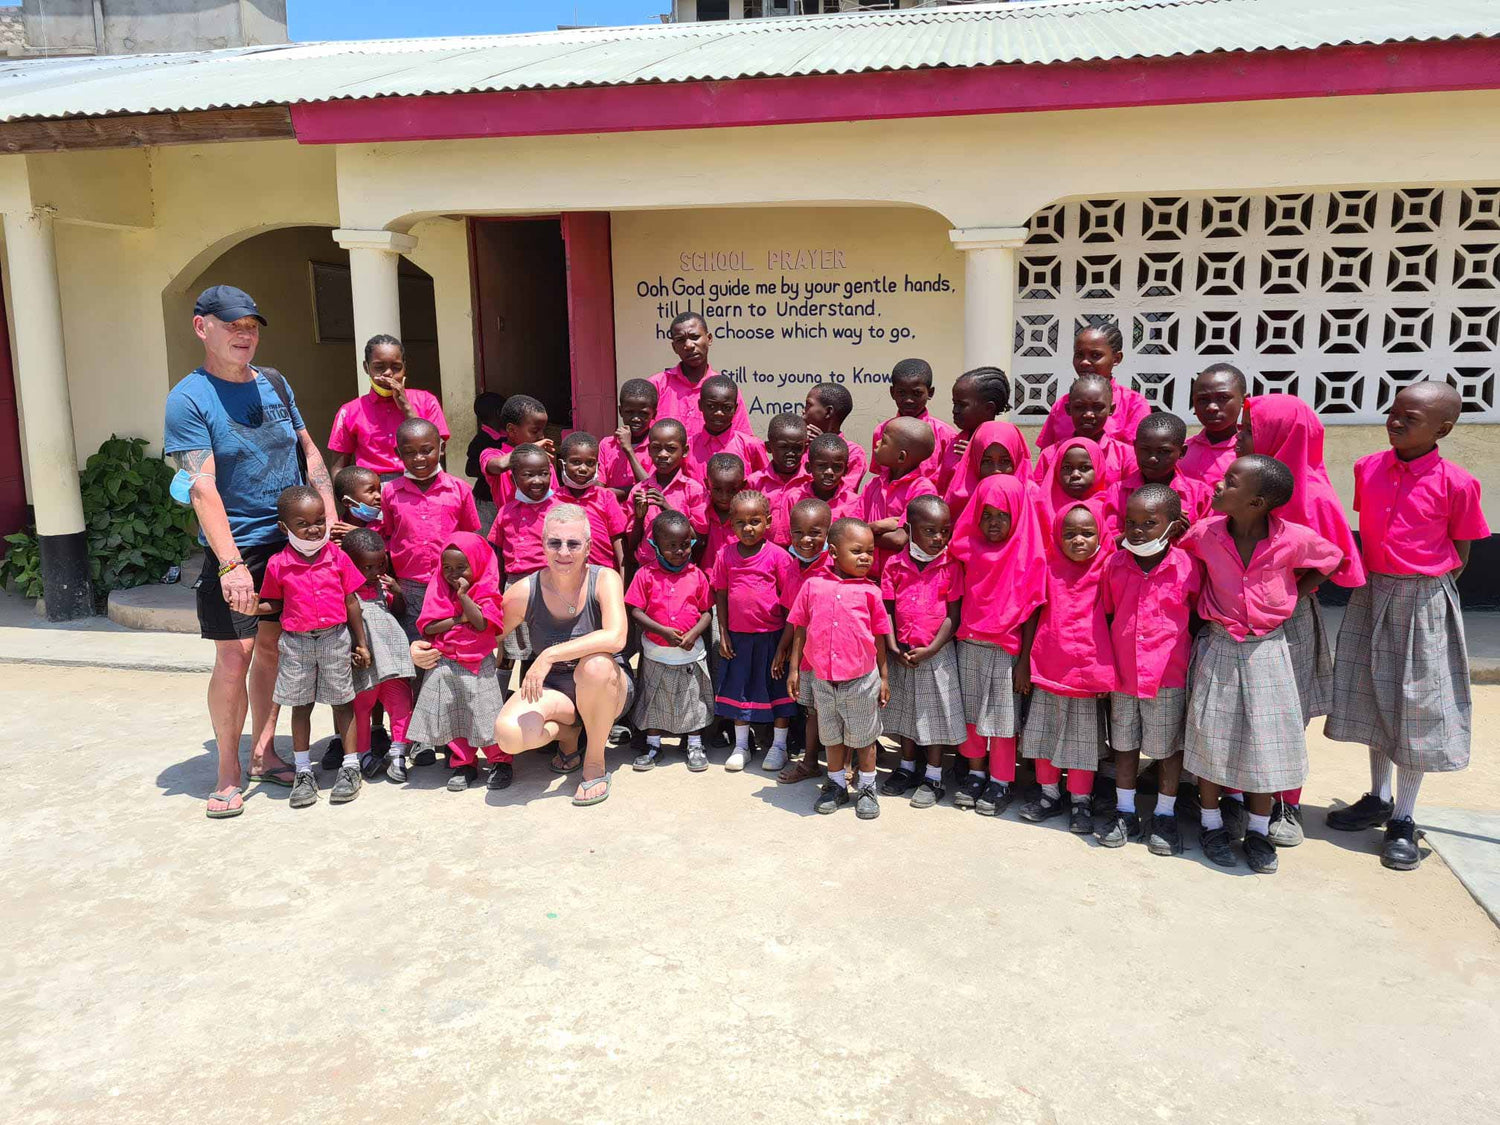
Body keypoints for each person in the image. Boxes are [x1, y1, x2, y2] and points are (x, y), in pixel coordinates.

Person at [164, 284, 337, 819]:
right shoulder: (188, 399)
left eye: (251, 326)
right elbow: (201, 487)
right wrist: (232, 565)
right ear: (202, 327)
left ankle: (265, 751)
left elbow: (308, 451)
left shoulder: (275, 383)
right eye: (232, 325)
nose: (245, 335)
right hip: (236, 546)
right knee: (233, 655)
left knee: (273, 650)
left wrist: (327, 519)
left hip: (290, 540)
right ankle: (228, 770)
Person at [1324, 382, 1490, 871]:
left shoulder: (1458, 483)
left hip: (1422, 598)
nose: (1395, 421)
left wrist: (1423, 591)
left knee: (1416, 705)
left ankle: (1404, 817)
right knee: (1375, 695)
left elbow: (1461, 552)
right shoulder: (1367, 468)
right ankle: (1377, 796)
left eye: (1410, 417)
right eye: (1393, 412)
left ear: (1443, 428)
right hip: (1371, 592)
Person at [1178, 454, 1342, 874]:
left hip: (1268, 650)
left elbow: (1332, 558)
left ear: (1257, 502)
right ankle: (1212, 824)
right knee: (1209, 734)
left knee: (1266, 744)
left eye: (1230, 482)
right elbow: (1181, 557)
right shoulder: (1205, 533)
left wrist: (1294, 595)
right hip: (1219, 645)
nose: (1218, 485)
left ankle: (1257, 829)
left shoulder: (1293, 539)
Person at [1238, 392, 1365, 846]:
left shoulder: (1314, 494)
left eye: (1248, 428)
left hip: (1286, 620)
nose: (1239, 435)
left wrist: (1291, 593)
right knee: (1241, 705)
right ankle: (1238, 795)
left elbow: (1333, 558)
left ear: (1278, 434)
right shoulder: (1241, 484)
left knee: (1286, 712)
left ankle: (1285, 803)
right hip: (1236, 612)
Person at [451, 505, 631, 807]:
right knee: (508, 735)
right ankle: (569, 735)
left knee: (596, 664)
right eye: (554, 543)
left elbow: (616, 637)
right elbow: (487, 636)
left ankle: (594, 763)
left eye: (573, 543)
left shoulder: (605, 579)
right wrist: (432, 647)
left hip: (607, 686)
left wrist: (549, 655)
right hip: (555, 691)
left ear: (587, 547)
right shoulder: (524, 591)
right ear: (543, 545)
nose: (564, 552)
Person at [254, 487, 371, 810]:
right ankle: (304, 771)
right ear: (284, 528)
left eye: (319, 521)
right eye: (303, 524)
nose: (314, 529)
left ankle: (350, 767)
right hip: (297, 643)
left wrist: (361, 643)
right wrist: (251, 606)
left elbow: (351, 602)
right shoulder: (278, 564)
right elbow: (272, 604)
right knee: (300, 704)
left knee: (342, 702)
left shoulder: (337, 556)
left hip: (335, 638)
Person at [1099, 485, 1199, 855]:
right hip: (1123, 675)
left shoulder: (1187, 566)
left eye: (1149, 523)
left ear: (1173, 528)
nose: (1137, 530)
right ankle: (1125, 811)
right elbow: (1109, 612)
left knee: (1166, 749)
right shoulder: (1115, 565)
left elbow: (1196, 617)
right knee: (1124, 745)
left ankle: (1165, 814)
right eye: (1131, 522)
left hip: (1167, 676)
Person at [1016, 499, 1115, 834]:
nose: (1078, 540)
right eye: (1069, 533)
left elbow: (1117, 621)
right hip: (1047, 668)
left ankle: (1080, 801)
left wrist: (1109, 672)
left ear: (1101, 535)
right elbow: (1031, 616)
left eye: (1088, 533)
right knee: (1044, 739)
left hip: (1088, 676)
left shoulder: (1108, 569)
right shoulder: (1047, 567)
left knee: (1082, 745)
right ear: (1057, 536)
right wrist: (1023, 663)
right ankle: (1048, 795)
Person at [950, 473, 1047, 816]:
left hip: (1007, 650)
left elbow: (1034, 609)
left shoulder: (1028, 554)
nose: (993, 523)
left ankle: (1001, 781)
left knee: (1004, 722)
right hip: (970, 644)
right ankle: (976, 774)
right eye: (986, 514)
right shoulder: (966, 549)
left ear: (1018, 514)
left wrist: (1024, 663)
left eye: (1002, 515)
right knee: (971, 717)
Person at [788, 517, 892, 820]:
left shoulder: (871, 592)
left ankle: (867, 788)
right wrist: (795, 670)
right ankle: (834, 785)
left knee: (863, 738)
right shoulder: (812, 586)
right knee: (831, 737)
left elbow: (879, 637)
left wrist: (884, 677)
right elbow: (800, 629)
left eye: (870, 552)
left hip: (860, 680)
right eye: (857, 551)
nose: (865, 558)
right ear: (833, 552)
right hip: (822, 679)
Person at [879, 495, 965, 809]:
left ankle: (933, 775)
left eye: (945, 530)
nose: (939, 538)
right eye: (930, 531)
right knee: (905, 714)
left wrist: (932, 648)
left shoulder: (950, 565)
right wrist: (892, 646)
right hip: (902, 652)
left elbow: (952, 615)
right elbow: (886, 610)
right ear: (910, 530)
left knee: (933, 716)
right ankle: (906, 767)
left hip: (935, 654)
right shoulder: (894, 564)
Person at [407, 533, 510, 792]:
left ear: (477, 563)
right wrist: (459, 619)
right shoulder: (439, 588)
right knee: (455, 716)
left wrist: (464, 597)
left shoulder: (486, 591)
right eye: (448, 568)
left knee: (486, 713)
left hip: (479, 663)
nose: (453, 574)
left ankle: (500, 761)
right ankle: (463, 763)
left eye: (461, 568)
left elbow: (483, 622)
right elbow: (429, 626)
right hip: (447, 662)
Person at [711, 490, 801, 771]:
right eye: (740, 523)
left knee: (777, 691)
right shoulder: (724, 554)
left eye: (754, 521)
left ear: (768, 522)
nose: (747, 528)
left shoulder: (778, 556)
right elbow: (722, 595)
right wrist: (723, 633)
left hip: (772, 637)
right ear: (731, 524)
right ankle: (741, 746)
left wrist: (785, 645)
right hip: (738, 638)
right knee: (739, 690)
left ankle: (779, 746)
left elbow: (789, 604)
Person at [626, 510, 715, 772]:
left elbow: (706, 612)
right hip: (657, 652)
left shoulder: (697, 575)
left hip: (690, 653)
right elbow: (635, 611)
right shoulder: (645, 575)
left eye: (685, 545)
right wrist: (662, 631)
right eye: (671, 546)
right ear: (656, 546)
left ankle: (695, 744)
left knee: (692, 699)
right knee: (654, 698)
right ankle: (653, 745)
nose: (679, 551)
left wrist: (694, 633)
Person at [382, 418, 482, 643]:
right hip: (409, 587)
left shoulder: (460, 490)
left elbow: (471, 541)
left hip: (451, 584)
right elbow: (389, 536)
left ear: (442, 448)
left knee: (450, 642)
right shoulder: (390, 492)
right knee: (414, 645)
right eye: (410, 452)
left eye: (427, 450)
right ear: (398, 453)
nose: (419, 458)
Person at [341, 528, 416, 781]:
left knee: (401, 703)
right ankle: (363, 754)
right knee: (362, 707)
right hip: (366, 662)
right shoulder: (346, 594)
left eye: (380, 565)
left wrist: (398, 591)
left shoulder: (383, 587)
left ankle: (398, 752)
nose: (374, 573)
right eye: (367, 567)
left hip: (392, 659)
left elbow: (399, 610)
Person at [329, 335, 448, 481]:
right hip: (374, 489)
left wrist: (406, 407)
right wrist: (349, 498)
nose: (388, 374)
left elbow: (437, 449)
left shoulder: (427, 401)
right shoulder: (349, 411)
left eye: (396, 367)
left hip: (421, 482)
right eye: (379, 368)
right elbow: (338, 467)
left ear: (404, 367)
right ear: (366, 367)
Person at [775, 497, 833, 786]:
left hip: (834, 658)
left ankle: (847, 764)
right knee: (812, 709)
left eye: (815, 533)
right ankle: (810, 762)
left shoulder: (836, 568)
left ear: (828, 535)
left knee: (839, 711)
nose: (805, 540)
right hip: (806, 655)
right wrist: (782, 649)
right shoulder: (792, 568)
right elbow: (793, 617)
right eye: (798, 533)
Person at [489, 443, 560, 663]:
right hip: (515, 587)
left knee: (548, 650)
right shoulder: (506, 512)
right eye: (528, 475)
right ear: (514, 479)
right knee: (518, 652)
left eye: (543, 473)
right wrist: (496, 591)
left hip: (550, 585)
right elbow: (497, 555)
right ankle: (516, 696)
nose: (537, 480)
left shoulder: (559, 510)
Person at [1036, 321, 1151, 448]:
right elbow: (1047, 458)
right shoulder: (1062, 404)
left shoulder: (1134, 405)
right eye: (1079, 355)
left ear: (1116, 358)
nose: (1084, 362)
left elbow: (1138, 458)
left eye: (1095, 355)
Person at [1104, 413, 1213, 533]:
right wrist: (1147, 526)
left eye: (1163, 451)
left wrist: (1185, 531)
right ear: (1135, 447)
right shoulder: (1119, 492)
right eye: (1145, 449)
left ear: (1182, 452)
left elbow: (1209, 540)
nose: (1152, 458)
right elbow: (1110, 543)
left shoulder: (1200, 495)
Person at [650, 312, 753, 439]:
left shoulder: (725, 389)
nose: (689, 345)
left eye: (694, 337)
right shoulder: (656, 386)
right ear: (674, 347)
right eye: (680, 340)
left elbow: (742, 440)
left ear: (709, 338)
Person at [860, 416, 938, 577]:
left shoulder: (922, 489)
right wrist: (878, 526)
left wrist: (865, 533)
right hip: (866, 575)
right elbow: (853, 529)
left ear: (901, 456)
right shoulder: (874, 484)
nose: (877, 443)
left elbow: (899, 540)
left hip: (899, 578)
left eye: (884, 440)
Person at [626, 418, 708, 567]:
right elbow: (632, 544)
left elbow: (700, 540)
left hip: (682, 570)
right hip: (647, 568)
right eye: (656, 448)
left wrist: (666, 506)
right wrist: (639, 517)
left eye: (671, 448)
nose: (663, 454)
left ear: (684, 451)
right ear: (649, 450)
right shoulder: (639, 490)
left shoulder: (693, 490)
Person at [1032, 375, 1135, 491]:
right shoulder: (1050, 455)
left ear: (1111, 410)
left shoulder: (1126, 456)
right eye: (1080, 407)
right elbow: (1038, 496)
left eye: (1097, 407)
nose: (1088, 414)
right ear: (1068, 409)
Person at [868, 358, 956, 484]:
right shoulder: (882, 431)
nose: (909, 400)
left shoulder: (946, 435)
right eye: (902, 393)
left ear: (930, 392)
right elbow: (880, 474)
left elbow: (949, 479)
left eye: (917, 393)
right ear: (892, 392)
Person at [556, 431, 629, 572]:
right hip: (565, 576)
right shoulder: (553, 500)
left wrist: (621, 582)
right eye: (576, 462)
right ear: (562, 464)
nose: (583, 469)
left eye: (590, 463)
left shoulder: (606, 497)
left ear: (597, 466)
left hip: (602, 575)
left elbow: (619, 542)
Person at [937, 366, 1011, 495]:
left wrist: (978, 460)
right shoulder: (956, 441)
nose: (955, 410)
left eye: (962, 405)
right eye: (954, 403)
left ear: (989, 408)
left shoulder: (1001, 444)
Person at [478, 394, 556, 509]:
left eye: (543, 430)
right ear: (511, 430)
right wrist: (528, 451)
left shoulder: (542, 459)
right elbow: (498, 466)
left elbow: (554, 496)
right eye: (535, 431)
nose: (541, 436)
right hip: (510, 525)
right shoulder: (493, 454)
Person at [945, 419, 1032, 518]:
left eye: (1005, 461)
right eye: (987, 461)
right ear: (975, 461)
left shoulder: (1031, 497)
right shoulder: (961, 501)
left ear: (1017, 459)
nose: (996, 470)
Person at [686, 376, 768, 479]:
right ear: (700, 405)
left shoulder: (751, 446)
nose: (719, 413)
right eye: (711, 406)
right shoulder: (687, 448)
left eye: (727, 408)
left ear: (735, 408)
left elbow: (765, 485)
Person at [749, 412, 810, 546]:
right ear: (769, 447)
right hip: (762, 552)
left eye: (797, 448)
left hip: (800, 554)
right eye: (783, 447)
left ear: (805, 448)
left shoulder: (810, 482)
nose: (790, 453)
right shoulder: (754, 482)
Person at [1179, 363, 1245, 485]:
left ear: (1244, 400)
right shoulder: (1181, 451)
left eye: (1223, 397)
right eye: (1203, 399)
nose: (1211, 407)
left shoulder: (1250, 454)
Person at [803, 381, 867, 494]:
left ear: (828, 412)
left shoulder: (854, 452)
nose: (803, 411)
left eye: (808, 405)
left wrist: (824, 445)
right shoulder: (801, 445)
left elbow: (846, 492)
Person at [599, 379, 657, 500]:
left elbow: (650, 489)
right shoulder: (607, 444)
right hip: (612, 514)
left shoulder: (657, 445)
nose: (636, 418)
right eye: (629, 412)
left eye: (643, 413)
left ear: (654, 414)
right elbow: (599, 490)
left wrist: (629, 450)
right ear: (620, 411)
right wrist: (631, 490)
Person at [1034, 435, 1109, 524]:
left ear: (1098, 469)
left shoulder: (1108, 508)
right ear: (1057, 470)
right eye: (1067, 467)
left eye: (1085, 467)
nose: (1075, 475)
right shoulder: (1040, 508)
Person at [465, 391, 508, 532]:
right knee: (487, 537)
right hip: (486, 499)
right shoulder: (481, 440)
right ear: (498, 412)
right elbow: (470, 469)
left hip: (504, 498)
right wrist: (489, 468)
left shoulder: (507, 437)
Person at [330, 465, 384, 541]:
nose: (379, 496)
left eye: (379, 490)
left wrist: (360, 534)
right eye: (371, 491)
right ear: (347, 502)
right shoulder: (335, 531)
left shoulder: (383, 529)